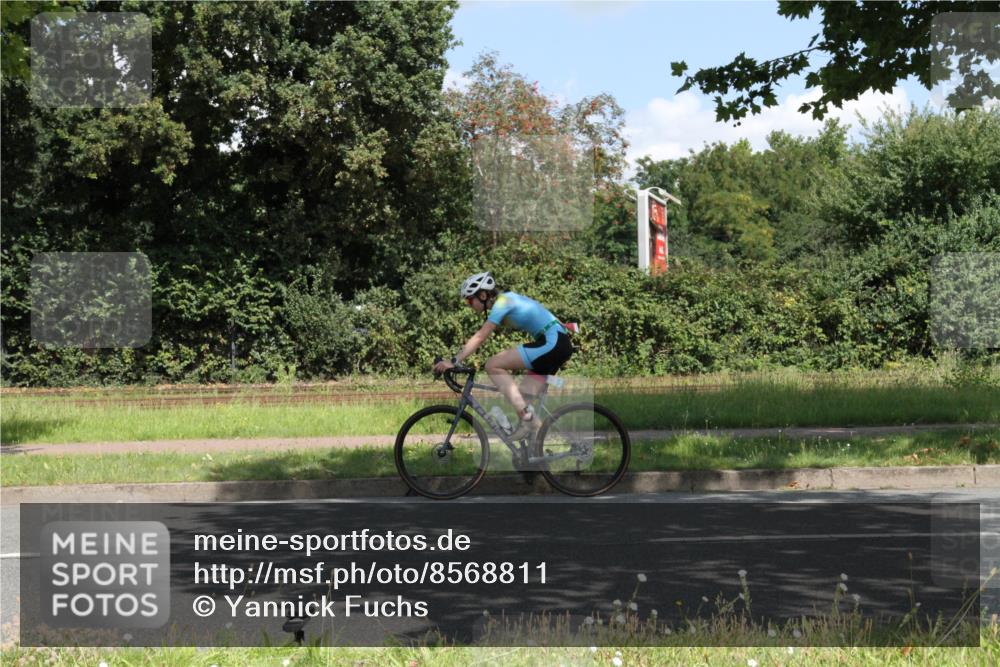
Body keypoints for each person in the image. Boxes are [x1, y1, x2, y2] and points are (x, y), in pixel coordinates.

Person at [432, 271, 573, 441]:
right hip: (556, 342)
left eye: (470, 300)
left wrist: (454, 361)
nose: (469, 304)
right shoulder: (506, 300)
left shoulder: (503, 302)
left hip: (553, 342)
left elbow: (481, 336)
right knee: (522, 399)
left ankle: (531, 421)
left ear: (483, 295)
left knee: (492, 365)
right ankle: (535, 456)